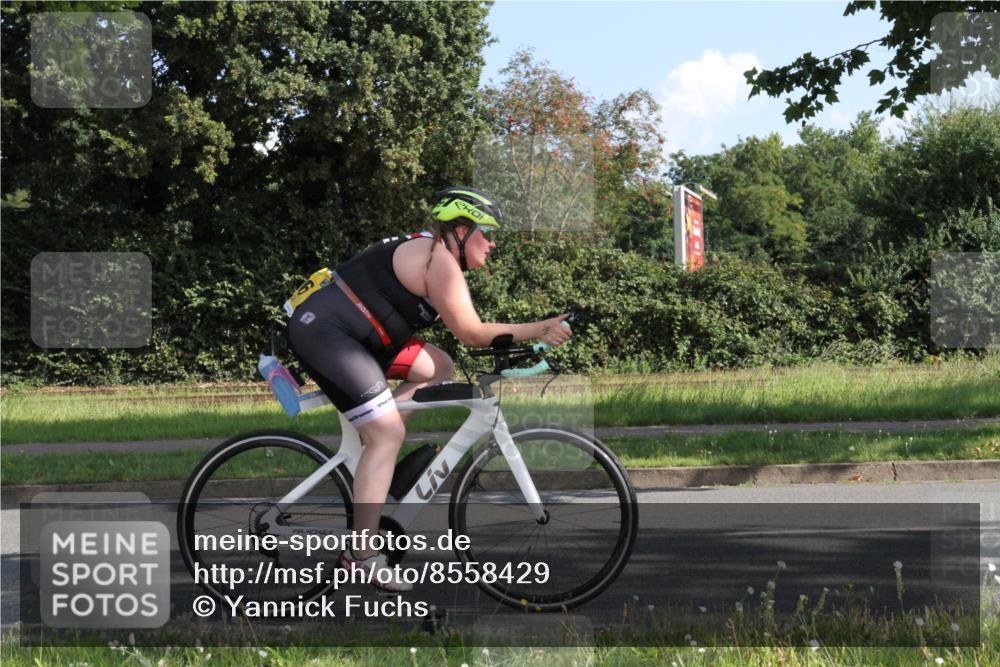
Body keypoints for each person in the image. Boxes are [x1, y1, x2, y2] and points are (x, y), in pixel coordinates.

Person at [286, 186, 572, 591]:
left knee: (439, 367)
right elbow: (471, 332)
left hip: (362, 334)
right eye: (485, 234)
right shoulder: (440, 262)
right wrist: (539, 328)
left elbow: (462, 336)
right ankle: (361, 555)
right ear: (460, 230)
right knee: (387, 432)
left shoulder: (439, 256)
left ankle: (376, 442)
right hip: (327, 332)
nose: (492, 244)